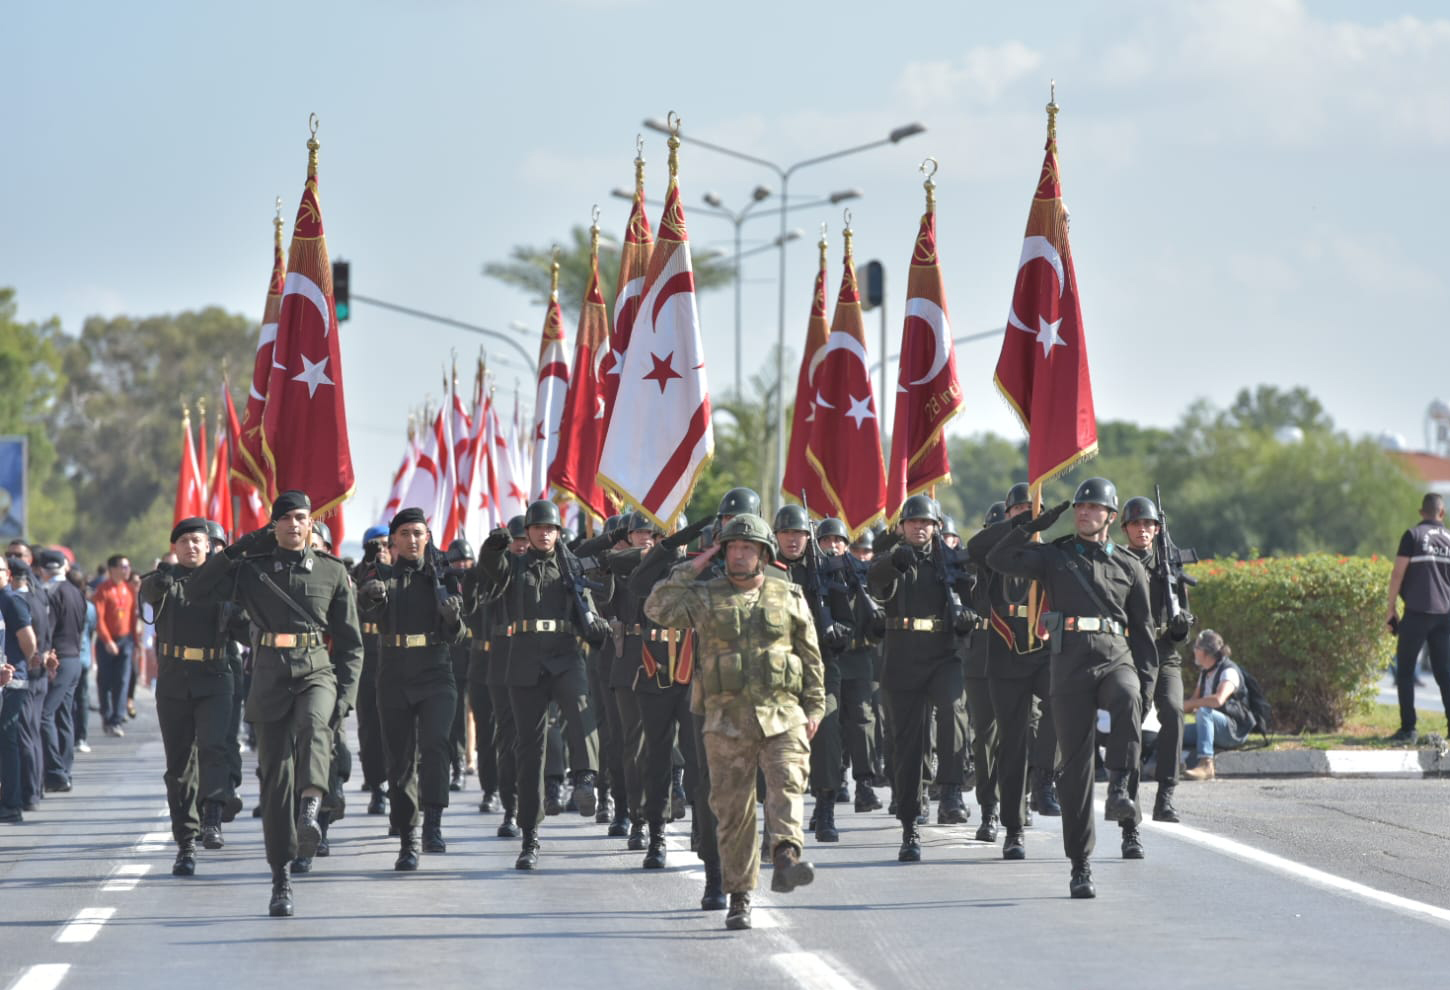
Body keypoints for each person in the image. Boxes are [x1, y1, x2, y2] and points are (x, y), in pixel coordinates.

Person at [187, 491, 363, 918]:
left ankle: (311, 807)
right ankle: (280, 878)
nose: (294, 525)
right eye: (285, 519)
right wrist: (241, 547)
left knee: (316, 724)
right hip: (268, 674)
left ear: (309, 524)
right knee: (274, 782)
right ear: (275, 525)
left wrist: (346, 698)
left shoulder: (332, 572)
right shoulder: (252, 570)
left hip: (316, 669)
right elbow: (197, 589)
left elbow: (351, 645)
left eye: (301, 518)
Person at [644, 513, 824, 931]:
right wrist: (699, 561)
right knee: (733, 813)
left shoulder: (791, 596)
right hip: (725, 722)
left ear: (764, 554)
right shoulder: (704, 597)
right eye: (733, 548)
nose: (740, 555)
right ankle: (740, 896)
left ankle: (785, 855)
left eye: (748, 548)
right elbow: (657, 606)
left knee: (787, 782)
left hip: (782, 717)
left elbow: (812, 658)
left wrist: (814, 708)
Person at [986, 478, 1156, 900]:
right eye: (1080, 507)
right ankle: (1080, 864)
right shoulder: (1055, 556)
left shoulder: (1129, 566)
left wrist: (1147, 690)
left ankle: (1120, 788)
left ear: (1111, 518)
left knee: (1128, 695)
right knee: (1075, 769)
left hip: (1115, 653)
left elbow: (1146, 638)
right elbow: (997, 557)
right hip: (1069, 663)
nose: (1083, 513)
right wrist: (1029, 525)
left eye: (1093, 508)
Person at [476, 500, 606, 870]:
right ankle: (530, 835)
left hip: (566, 654)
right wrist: (493, 544)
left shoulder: (571, 565)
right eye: (538, 528)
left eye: (551, 528)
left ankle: (584, 778)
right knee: (529, 750)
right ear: (528, 533)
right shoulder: (514, 566)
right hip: (525, 660)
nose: (544, 533)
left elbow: (588, 605)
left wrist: (595, 624)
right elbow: (490, 569)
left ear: (558, 533)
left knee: (582, 710)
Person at [867, 495, 975, 862]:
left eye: (926, 522)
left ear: (937, 526)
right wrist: (894, 561)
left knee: (953, 713)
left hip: (944, 653)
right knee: (908, 744)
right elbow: (874, 579)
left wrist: (970, 615)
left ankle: (951, 791)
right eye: (912, 522)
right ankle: (911, 824)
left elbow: (972, 592)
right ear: (902, 526)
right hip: (902, 657)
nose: (919, 527)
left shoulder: (952, 559)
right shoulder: (894, 558)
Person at [357, 508, 465, 870]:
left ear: (428, 537)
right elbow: (368, 615)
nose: (413, 539)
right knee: (400, 759)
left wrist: (453, 619)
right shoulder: (381, 576)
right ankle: (408, 838)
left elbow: (459, 634)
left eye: (419, 532)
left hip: (436, 671)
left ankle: (433, 823)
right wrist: (371, 596)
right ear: (394, 541)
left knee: (435, 746)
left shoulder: (442, 576)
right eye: (405, 533)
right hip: (394, 673)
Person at [139, 518, 237, 876]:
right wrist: (160, 578)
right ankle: (186, 842)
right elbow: (148, 592)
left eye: (198, 540)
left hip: (215, 677)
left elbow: (247, 623)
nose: (191, 547)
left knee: (214, 748)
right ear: (174, 548)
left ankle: (212, 815)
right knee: (178, 767)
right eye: (184, 541)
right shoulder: (163, 582)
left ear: (209, 546)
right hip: (175, 681)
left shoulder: (227, 583)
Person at [1118, 496, 1193, 835]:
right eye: (1136, 524)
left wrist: (1182, 627)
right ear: (1126, 529)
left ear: (1157, 529)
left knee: (1175, 711)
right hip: (1131, 653)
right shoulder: (1117, 563)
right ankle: (1128, 812)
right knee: (1131, 727)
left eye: (1148, 524)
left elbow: (1185, 616)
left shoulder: (1169, 565)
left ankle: (1165, 795)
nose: (1142, 529)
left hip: (1165, 653)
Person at [1385, 492, 1450, 744]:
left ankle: (1409, 729)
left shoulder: (1413, 536)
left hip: (1417, 613)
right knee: (1445, 673)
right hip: (1445, 616)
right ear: (1441, 513)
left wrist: (1391, 608)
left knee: (1405, 671)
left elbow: (1397, 574)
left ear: (1421, 512)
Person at [39, 550, 85, 794]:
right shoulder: (76, 591)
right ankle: (64, 770)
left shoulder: (51, 593)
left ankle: (56, 772)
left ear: (44, 570)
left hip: (59, 659)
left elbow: (48, 630)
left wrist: (46, 657)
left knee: (45, 715)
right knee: (63, 715)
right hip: (74, 658)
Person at [353, 525, 390, 816]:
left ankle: (400, 786)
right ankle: (377, 786)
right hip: (366, 655)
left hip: (394, 652)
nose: (381, 549)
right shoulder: (356, 573)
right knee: (370, 726)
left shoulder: (403, 570)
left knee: (399, 726)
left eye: (386, 543)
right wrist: (367, 566)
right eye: (374, 545)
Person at [0, 558, 41, 823]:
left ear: (8, 574)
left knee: (8, 740)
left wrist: (28, 665)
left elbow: (28, 639)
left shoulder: (11, 600)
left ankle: (13, 803)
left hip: (13, 681)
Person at [1181, 629, 1251, 779]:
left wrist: (1194, 704)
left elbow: (1218, 700)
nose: (1194, 651)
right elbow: (1193, 703)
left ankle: (1206, 765)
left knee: (1204, 711)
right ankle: (1168, 764)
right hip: (1212, 726)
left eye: (1197, 648)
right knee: (1176, 731)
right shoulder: (1205, 672)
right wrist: (1175, 708)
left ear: (1206, 652)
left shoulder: (1229, 671)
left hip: (1233, 731)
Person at [93, 555, 139, 737]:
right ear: (112, 569)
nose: (127, 570)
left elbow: (133, 619)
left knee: (122, 679)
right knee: (105, 681)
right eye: (123, 566)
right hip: (107, 641)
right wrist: (107, 640)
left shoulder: (129, 589)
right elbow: (99, 618)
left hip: (125, 640)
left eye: (128, 566)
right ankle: (106, 714)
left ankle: (117, 719)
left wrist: (135, 641)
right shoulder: (103, 590)